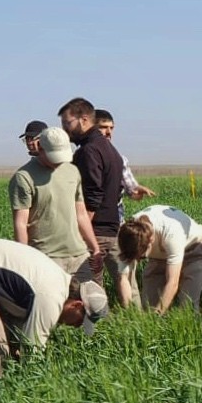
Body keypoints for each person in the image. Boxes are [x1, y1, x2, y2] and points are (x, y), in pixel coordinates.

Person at [0, 238, 108, 378]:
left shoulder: (57, 283)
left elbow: (20, 335)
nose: (77, 326)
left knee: (10, 346)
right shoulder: (50, 297)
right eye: (80, 320)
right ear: (77, 304)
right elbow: (32, 353)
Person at [9, 126, 103, 284]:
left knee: (90, 304)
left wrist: (95, 248)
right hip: (46, 256)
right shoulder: (24, 177)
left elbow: (81, 214)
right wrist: (23, 258)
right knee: (53, 306)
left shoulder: (72, 171)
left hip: (79, 254)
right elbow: (20, 223)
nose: (58, 162)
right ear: (40, 148)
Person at [58, 97, 124, 288]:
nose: (64, 129)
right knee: (126, 283)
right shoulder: (110, 149)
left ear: (84, 119)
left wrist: (81, 228)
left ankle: (98, 318)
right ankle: (137, 316)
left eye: (67, 123)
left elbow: (94, 194)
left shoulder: (89, 151)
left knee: (88, 288)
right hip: (113, 228)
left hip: (95, 231)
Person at [116, 204, 202, 313]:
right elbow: (124, 279)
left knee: (186, 305)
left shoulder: (171, 233)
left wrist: (158, 314)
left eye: (141, 257)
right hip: (161, 255)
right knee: (149, 305)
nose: (138, 260)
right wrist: (129, 313)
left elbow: (173, 282)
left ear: (151, 241)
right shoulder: (127, 236)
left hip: (194, 250)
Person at [94, 109, 155, 224]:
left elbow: (133, 192)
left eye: (111, 128)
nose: (108, 132)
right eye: (103, 127)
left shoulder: (119, 160)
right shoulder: (79, 157)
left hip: (113, 218)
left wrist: (138, 191)